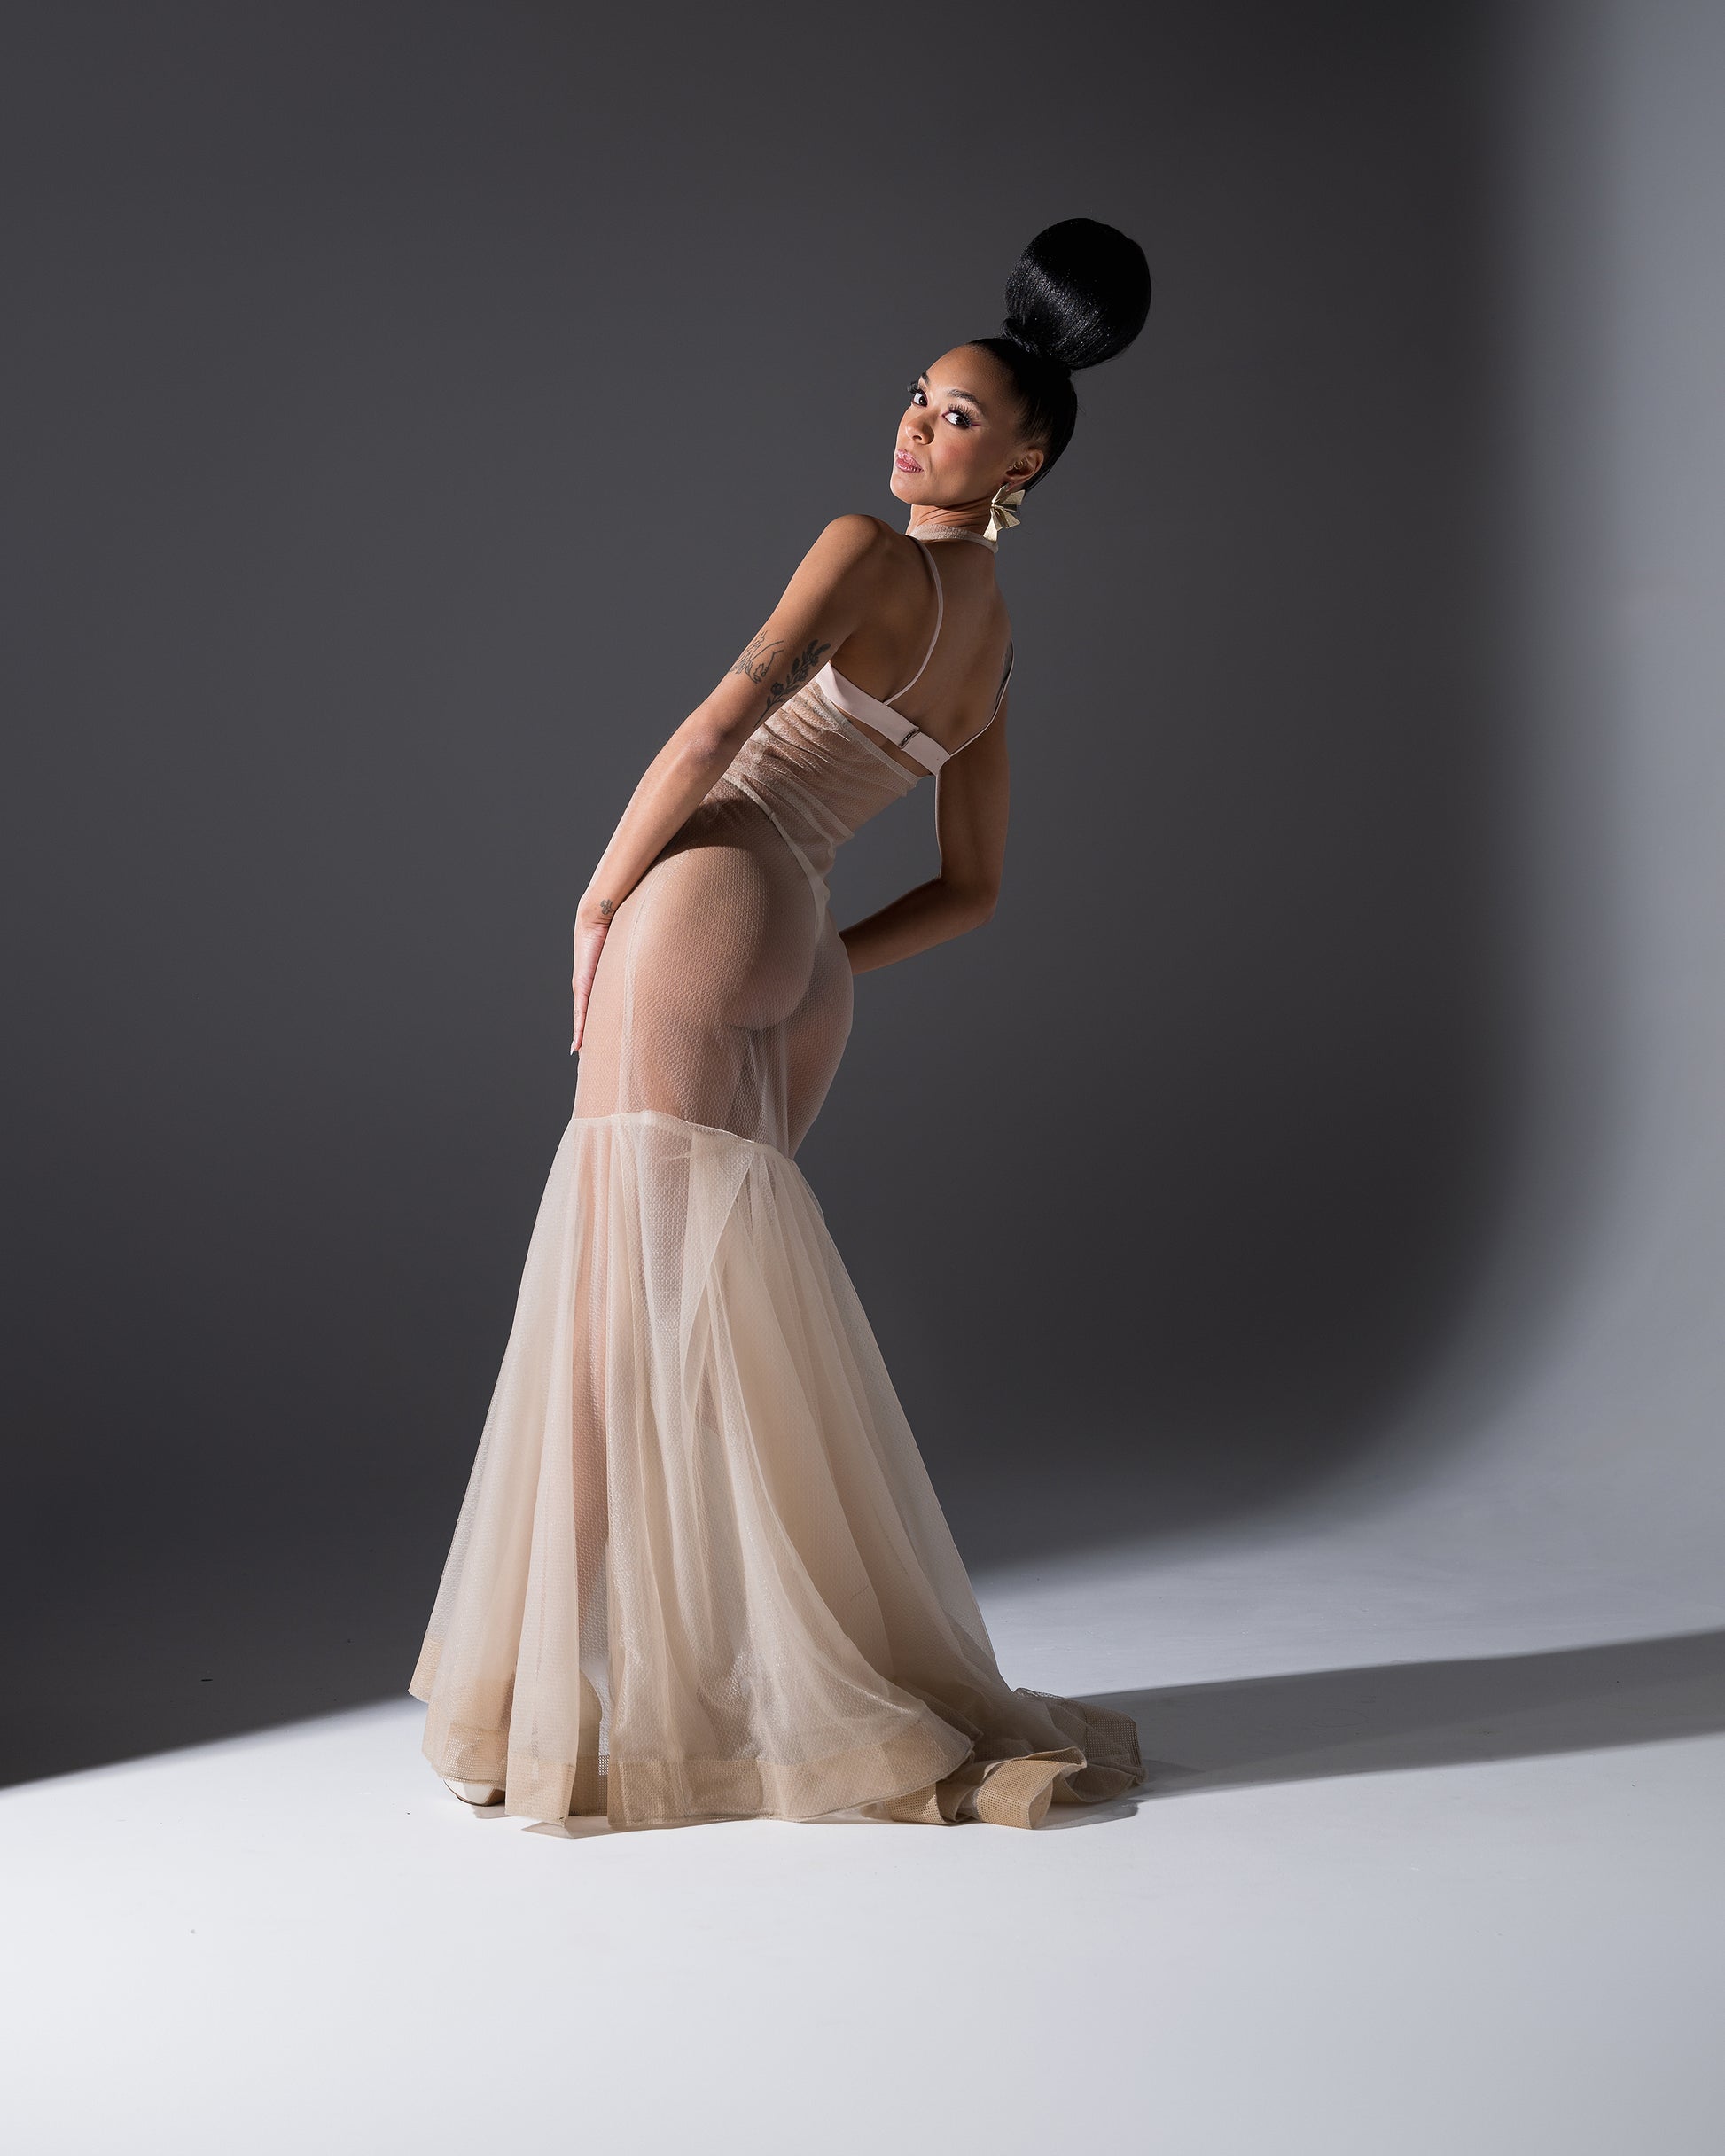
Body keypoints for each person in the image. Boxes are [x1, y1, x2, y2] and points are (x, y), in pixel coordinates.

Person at [409, 218, 1153, 1832]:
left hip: (710, 896)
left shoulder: (862, 552)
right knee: (702, 1325)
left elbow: (719, 722)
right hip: (801, 946)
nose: (914, 425)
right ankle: (728, 1684)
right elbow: (971, 893)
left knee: (619, 1323)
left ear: (1025, 460)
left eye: (956, 416)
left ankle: (560, 1711)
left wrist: (605, 901)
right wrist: (812, 962)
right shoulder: (999, 650)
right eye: (916, 397)